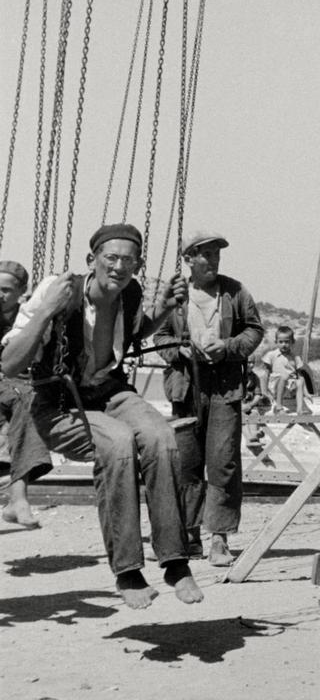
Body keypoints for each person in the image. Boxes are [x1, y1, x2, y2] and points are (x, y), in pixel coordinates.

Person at [0, 223, 201, 608]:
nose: (119, 267)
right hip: (59, 403)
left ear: (137, 264)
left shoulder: (131, 292)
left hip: (110, 391)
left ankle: (175, 560)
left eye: (128, 260)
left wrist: (163, 312)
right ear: (92, 260)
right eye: (111, 258)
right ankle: (128, 571)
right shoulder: (60, 291)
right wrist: (45, 311)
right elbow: (10, 364)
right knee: (119, 443)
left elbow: (131, 336)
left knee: (161, 437)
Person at [155, 231, 265, 566]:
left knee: (223, 463)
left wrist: (228, 348)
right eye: (205, 255)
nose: (213, 261)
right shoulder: (176, 294)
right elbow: (159, 335)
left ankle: (219, 538)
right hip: (186, 388)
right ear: (188, 258)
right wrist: (180, 350)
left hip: (225, 387)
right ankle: (190, 536)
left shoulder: (235, 291)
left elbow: (254, 330)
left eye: (217, 255)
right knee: (186, 463)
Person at [0, 260, 51, 528]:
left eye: (6, 290)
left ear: (21, 291)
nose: (0, 295)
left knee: (27, 401)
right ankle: (17, 500)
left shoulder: (30, 316)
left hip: (19, 386)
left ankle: (17, 499)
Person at [260, 326, 310, 414]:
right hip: (275, 384)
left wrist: (306, 392)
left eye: (287, 342)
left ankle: (299, 409)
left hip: (290, 386)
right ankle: (279, 406)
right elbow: (265, 374)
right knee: (284, 376)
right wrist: (264, 392)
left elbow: (300, 375)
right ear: (276, 342)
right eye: (281, 342)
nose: (284, 344)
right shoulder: (272, 355)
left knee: (300, 380)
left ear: (292, 342)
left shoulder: (295, 357)